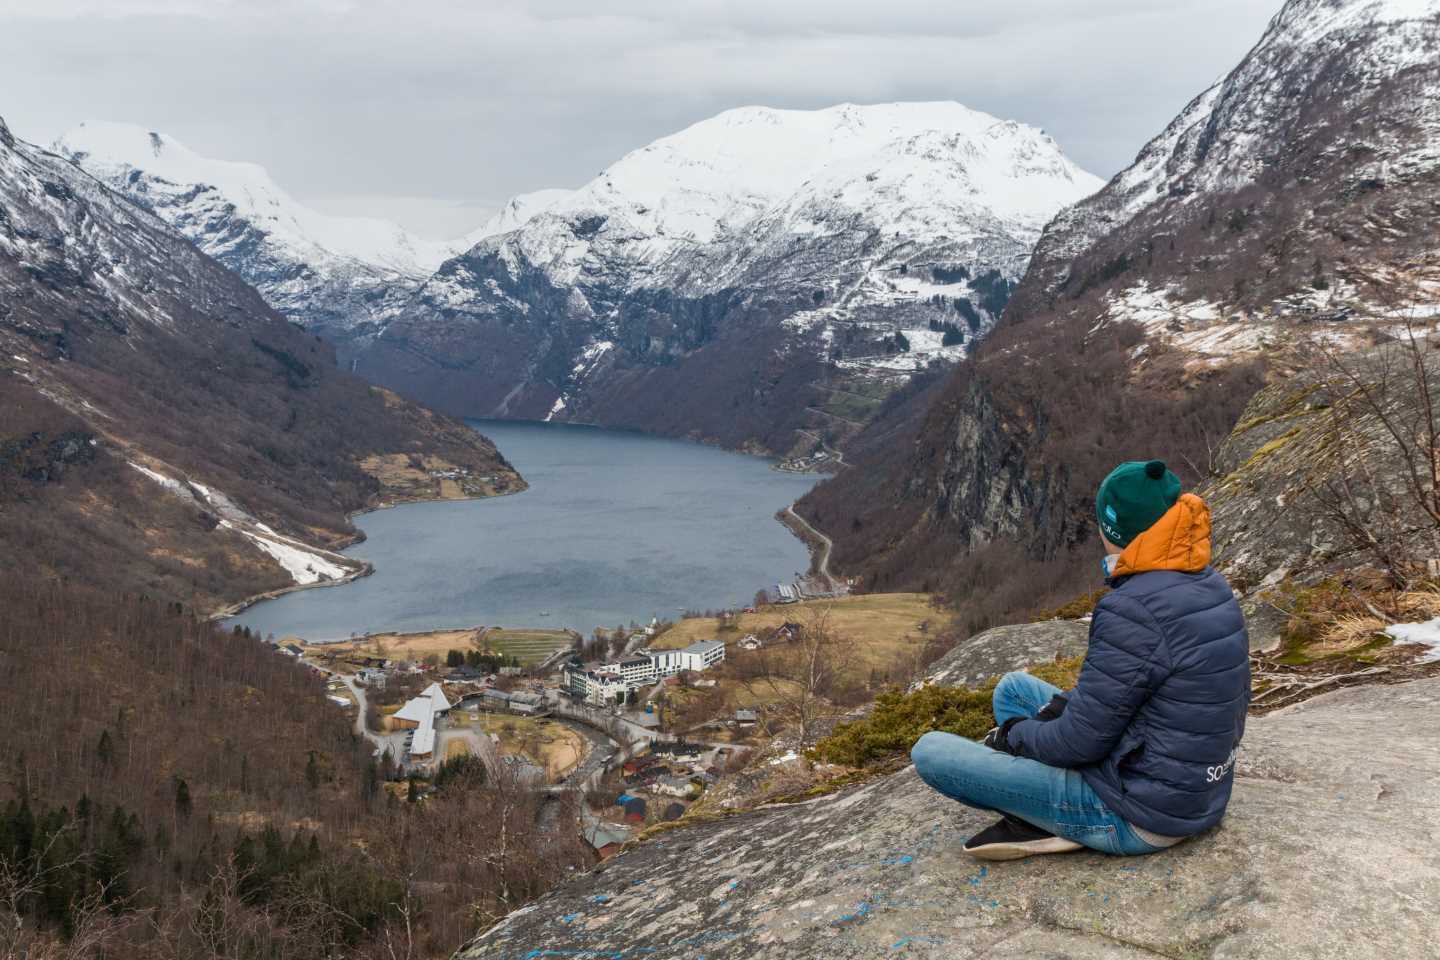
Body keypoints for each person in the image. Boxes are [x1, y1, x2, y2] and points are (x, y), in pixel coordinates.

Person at [911, 459, 1250, 860]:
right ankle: (1046, 811)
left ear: (1114, 530)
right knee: (1013, 690)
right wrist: (1059, 714)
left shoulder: (1133, 608)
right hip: (1197, 792)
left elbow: (1079, 743)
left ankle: (1068, 823)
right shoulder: (1208, 581)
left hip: (1139, 815)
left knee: (930, 751)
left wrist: (1014, 737)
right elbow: (1129, 698)